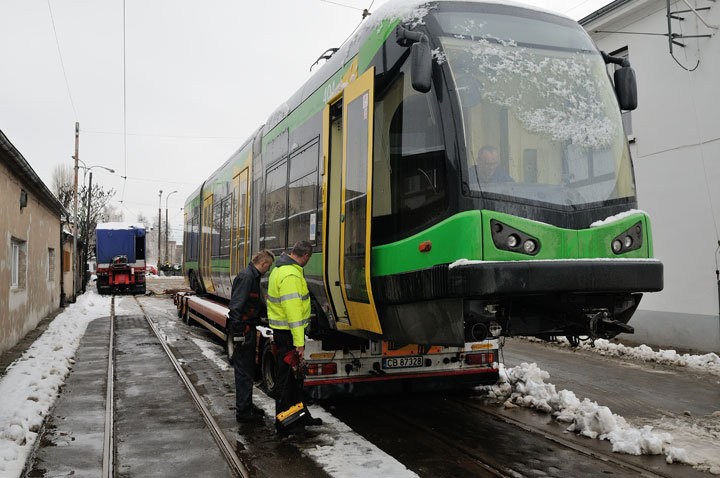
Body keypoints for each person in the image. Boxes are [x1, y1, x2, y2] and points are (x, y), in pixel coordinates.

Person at [267, 240, 322, 433]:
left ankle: (300, 417)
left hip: (284, 333)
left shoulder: (281, 269)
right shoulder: (290, 275)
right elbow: (293, 314)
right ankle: (285, 423)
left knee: (294, 380)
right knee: (287, 380)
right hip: (289, 335)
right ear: (306, 256)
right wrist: (299, 344)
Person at [228, 249, 275, 424]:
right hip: (245, 330)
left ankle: (246, 405)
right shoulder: (247, 278)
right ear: (263, 263)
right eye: (268, 266)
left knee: (248, 371)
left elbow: (254, 304)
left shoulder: (252, 277)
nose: (268, 270)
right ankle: (243, 411)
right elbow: (236, 307)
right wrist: (239, 332)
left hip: (249, 327)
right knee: (244, 372)